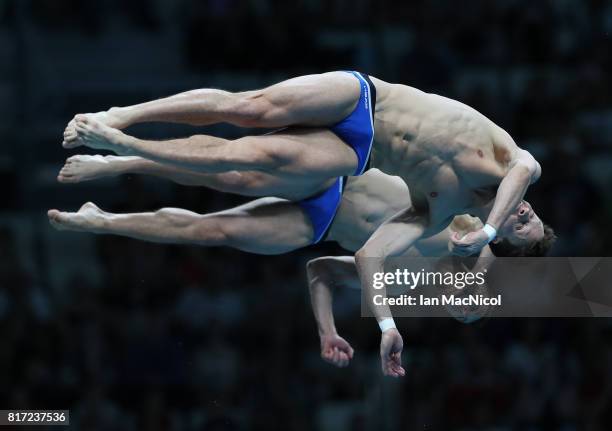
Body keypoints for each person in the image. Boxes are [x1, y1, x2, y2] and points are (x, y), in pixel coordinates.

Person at [59, 70, 551, 375]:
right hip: (364, 105)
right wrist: (491, 237)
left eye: (461, 312)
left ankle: (116, 184)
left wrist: (381, 326)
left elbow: (350, 262)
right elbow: (525, 173)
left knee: (224, 200)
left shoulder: (428, 243)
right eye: (524, 216)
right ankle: (123, 119)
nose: (525, 210)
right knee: (247, 110)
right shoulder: (500, 185)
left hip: (333, 190)